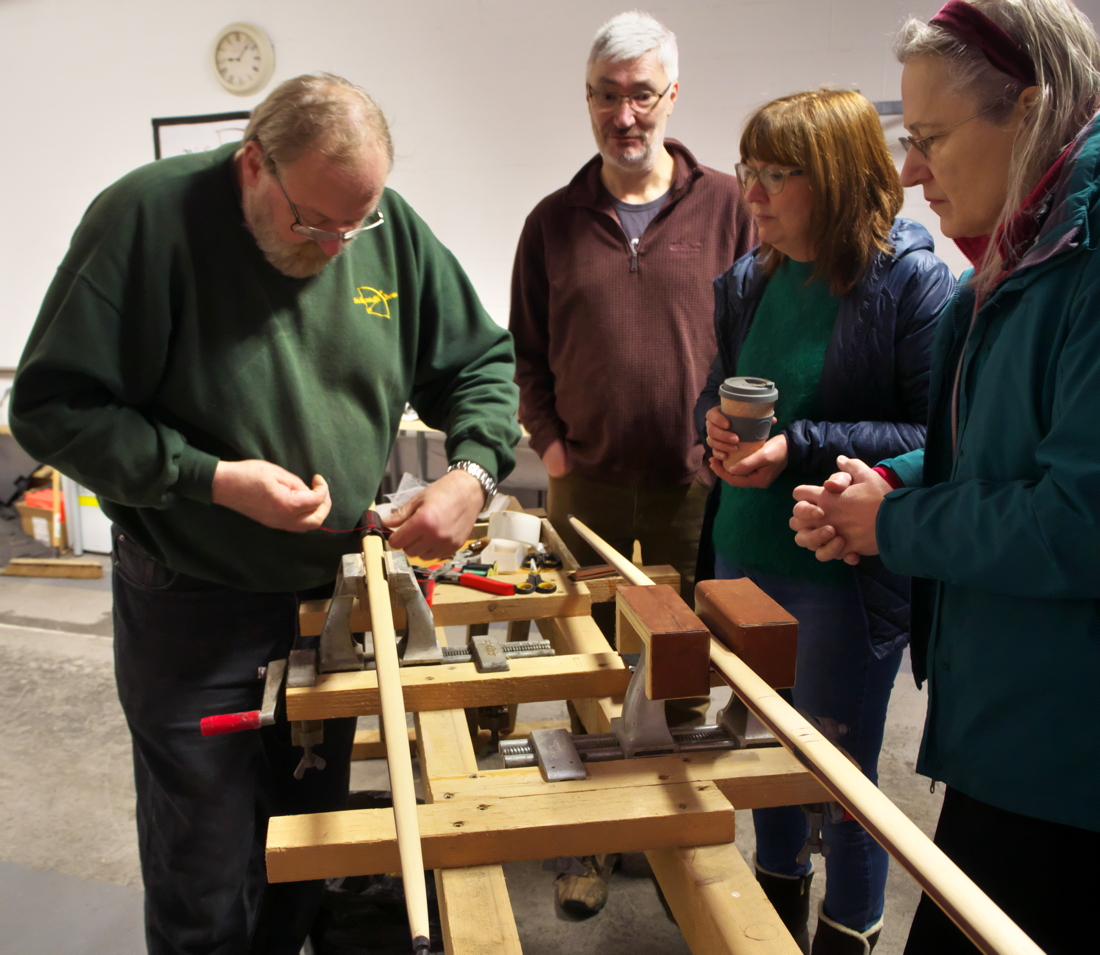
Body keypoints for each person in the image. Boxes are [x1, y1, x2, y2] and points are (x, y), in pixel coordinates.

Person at [10, 73, 519, 955]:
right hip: (192, 603)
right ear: (254, 165)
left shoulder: (384, 231)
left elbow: (478, 363)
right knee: (204, 867)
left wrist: (470, 477)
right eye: (312, 224)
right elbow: (53, 408)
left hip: (325, 603)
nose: (334, 247)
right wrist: (210, 479)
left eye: (354, 226)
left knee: (302, 847)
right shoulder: (145, 220)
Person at [789, 3, 1100, 953]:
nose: (910, 171)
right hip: (1014, 724)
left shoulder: (1081, 257)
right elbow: (998, 453)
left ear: (1030, 111)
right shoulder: (1024, 247)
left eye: (928, 138)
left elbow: (1079, 520)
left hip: (1067, 751)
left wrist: (896, 525)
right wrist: (888, 486)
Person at [695, 88, 955, 954]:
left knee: (841, 779)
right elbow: (719, 385)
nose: (753, 193)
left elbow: (937, 434)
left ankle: (847, 936)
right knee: (765, 761)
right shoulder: (750, 278)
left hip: (839, 571)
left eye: (777, 175)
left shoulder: (910, 280)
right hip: (743, 552)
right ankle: (776, 925)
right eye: (750, 170)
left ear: (838, 177)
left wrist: (798, 446)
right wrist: (712, 425)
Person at [508, 10, 752, 915]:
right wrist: (551, 443)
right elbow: (525, 353)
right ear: (587, 100)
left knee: (682, 663)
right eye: (606, 96)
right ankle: (591, 843)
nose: (624, 115)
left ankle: (664, 831)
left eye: (641, 94)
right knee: (590, 664)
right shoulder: (552, 222)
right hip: (587, 487)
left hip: (695, 487)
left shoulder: (729, 208)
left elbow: (757, 336)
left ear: (671, 95)